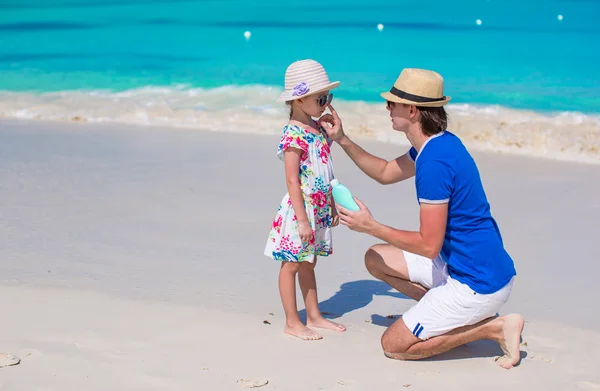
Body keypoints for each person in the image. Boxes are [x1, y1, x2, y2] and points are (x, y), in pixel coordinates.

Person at [318, 68, 524, 368]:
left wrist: (370, 226)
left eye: (393, 103)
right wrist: (342, 138)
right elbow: (386, 172)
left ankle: (490, 328)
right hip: (466, 265)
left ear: (412, 110)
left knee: (394, 344)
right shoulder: (437, 143)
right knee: (376, 258)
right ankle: (443, 313)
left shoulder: (435, 163)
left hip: (478, 281)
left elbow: (429, 245)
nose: (388, 108)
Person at [264, 59, 346, 341]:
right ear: (299, 100)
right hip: (301, 210)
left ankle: (313, 315)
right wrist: (301, 219)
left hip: (319, 207)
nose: (326, 103)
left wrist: (332, 204)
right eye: (321, 98)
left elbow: (325, 169)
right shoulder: (293, 134)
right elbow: (292, 180)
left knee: (309, 262)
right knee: (291, 264)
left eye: (329, 97)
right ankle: (291, 321)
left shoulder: (318, 131)